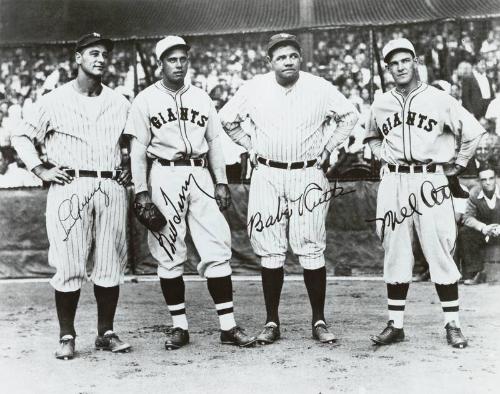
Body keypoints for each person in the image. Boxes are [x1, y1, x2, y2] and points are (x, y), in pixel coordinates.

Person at [219, 33, 358, 344]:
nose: (288, 61)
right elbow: (227, 119)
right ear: (270, 62)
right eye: (281, 57)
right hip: (267, 173)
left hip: (308, 173)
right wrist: (249, 144)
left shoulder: (319, 87)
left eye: (293, 55)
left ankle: (319, 320)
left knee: (310, 246)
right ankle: (271, 322)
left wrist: (329, 147)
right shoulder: (254, 87)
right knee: (270, 249)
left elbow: (350, 115)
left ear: (301, 58)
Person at [125, 36, 255, 350]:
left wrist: (221, 180)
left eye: (183, 58)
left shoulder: (201, 97)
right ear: (160, 63)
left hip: (199, 174)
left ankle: (228, 326)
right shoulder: (144, 100)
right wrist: (142, 192)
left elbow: (214, 142)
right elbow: (138, 149)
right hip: (164, 173)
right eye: (172, 59)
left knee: (217, 247)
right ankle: (179, 327)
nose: (179, 64)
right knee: (168, 252)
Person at [11, 33, 132, 360]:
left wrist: (129, 166)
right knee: (68, 264)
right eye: (93, 52)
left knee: (109, 264)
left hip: (110, 186)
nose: (101, 58)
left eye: (105, 53)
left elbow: (136, 140)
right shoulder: (53, 100)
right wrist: (40, 169)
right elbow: (20, 135)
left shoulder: (120, 102)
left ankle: (106, 332)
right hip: (70, 185)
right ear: (78, 58)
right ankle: (67, 334)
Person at [364, 38, 486, 349]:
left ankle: (453, 324)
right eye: (394, 62)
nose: (400, 67)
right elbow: (372, 137)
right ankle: (396, 325)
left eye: (405, 60)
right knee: (395, 250)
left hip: (431, 179)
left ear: (416, 62)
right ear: (388, 68)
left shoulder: (439, 99)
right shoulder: (381, 103)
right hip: (394, 181)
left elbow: (472, 132)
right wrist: (382, 154)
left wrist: (457, 166)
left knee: (439, 248)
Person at [462, 165, 500, 284]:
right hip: (485, 232)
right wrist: (483, 227)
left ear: (496, 178)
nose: (488, 182)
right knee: (464, 232)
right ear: (479, 181)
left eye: (491, 178)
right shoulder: (474, 193)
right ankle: (475, 273)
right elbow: (467, 217)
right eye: (484, 180)